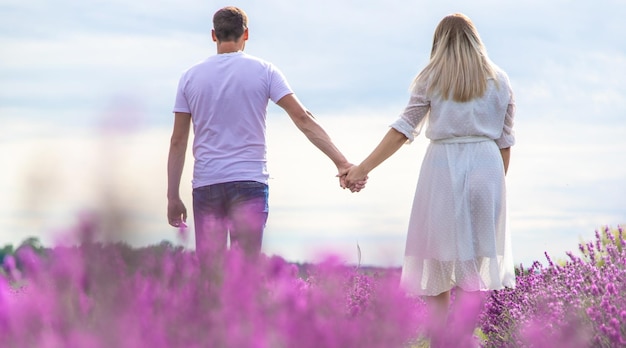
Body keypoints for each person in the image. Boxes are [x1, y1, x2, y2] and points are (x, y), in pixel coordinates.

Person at [342, 12, 516, 337]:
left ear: (439, 44)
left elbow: (402, 129)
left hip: (444, 169)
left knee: (436, 264)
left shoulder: (431, 78)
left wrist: (361, 169)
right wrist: (493, 188)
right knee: (474, 267)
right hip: (487, 169)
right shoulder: (501, 80)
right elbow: (505, 142)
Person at [167, 6, 363, 261]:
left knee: (210, 276)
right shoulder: (265, 71)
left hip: (207, 185)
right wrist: (342, 162)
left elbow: (177, 141)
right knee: (245, 278)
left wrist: (172, 196)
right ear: (246, 34)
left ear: (213, 35)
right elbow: (303, 118)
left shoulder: (189, 77)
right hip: (249, 183)